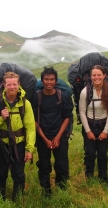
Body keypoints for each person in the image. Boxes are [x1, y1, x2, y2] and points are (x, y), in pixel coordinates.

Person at [0, 71, 36, 200]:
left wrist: (29, 149)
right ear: (4, 85)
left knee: (18, 174)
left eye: (14, 84)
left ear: (19, 85)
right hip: (2, 144)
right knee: (1, 172)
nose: (12, 87)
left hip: (19, 144)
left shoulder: (25, 104)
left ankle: (17, 199)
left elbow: (30, 128)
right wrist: (0, 119)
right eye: (9, 84)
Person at [31, 66, 73, 197]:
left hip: (60, 135)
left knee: (62, 164)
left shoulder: (63, 96)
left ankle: (61, 190)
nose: (49, 82)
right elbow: (34, 121)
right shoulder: (36, 98)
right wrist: (45, 139)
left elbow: (67, 117)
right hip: (42, 136)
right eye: (46, 79)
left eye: (52, 79)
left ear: (56, 81)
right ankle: (46, 191)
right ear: (42, 81)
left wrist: (58, 137)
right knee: (44, 165)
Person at [79, 65, 108, 184]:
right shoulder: (85, 92)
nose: (96, 77)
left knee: (102, 154)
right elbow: (82, 112)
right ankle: (89, 176)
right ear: (91, 77)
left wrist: (105, 131)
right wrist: (88, 131)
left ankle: (103, 177)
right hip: (89, 125)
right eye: (94, 75)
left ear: (104, 75)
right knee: (89, 153)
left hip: (102, 125)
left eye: (99, 74)